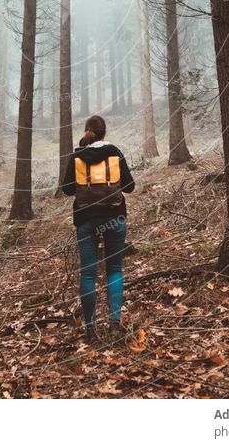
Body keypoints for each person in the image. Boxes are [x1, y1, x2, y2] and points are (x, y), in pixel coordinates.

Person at [61, 115, 135, 344]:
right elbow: (130, 187)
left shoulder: (77, 156)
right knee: (114, 269)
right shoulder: (115, 152)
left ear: (87, 132)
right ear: (104, 133)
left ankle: (91, 329)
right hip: (114, 216)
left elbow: (67, 189)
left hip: (86, 220)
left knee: (88, 273)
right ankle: (114, 324)